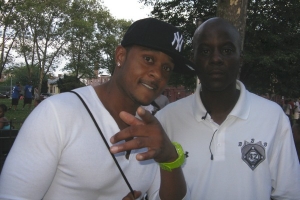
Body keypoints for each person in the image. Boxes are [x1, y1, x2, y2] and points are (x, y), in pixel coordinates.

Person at [0, 18, 195, 200]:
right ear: (120, 56)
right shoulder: (57, 114)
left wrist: (171, 158)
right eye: (148, 59)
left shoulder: (151, 127)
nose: (157, 73)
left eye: (167, 68)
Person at [155, 17, 300, 199]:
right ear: (193, 59)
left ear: (241, 58)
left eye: (227, 50)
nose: (216, 58)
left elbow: (289, 193)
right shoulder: (166, 120)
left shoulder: (273, 117)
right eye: (206, 51)